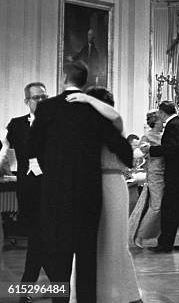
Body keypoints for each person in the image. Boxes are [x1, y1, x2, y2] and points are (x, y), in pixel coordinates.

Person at [27, 60, 132, 302]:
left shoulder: (47, 108)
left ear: (64, 78)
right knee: (87, 255)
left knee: (59, 254)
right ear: (84, 81)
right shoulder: (94, 110)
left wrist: (51, 174)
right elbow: (122, 149)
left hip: (56, 192)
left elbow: (33, 147)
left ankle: (61, 298)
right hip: (89, 192)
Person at [65, 88, 141, 303]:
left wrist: (87, 98)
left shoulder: (114, 126)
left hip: (112, 184)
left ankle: (121, 293)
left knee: (114, 242)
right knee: (89, 244)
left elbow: (115, 116)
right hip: (88, 185)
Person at [1, 82, 48, 292]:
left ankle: (28, 286)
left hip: (51, 189)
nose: (41, 101)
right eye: (36, 98)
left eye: (44, 97)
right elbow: (3, 149)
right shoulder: (16, 124)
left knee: (42, 237)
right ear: (26, 101)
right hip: (27, 190)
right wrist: (4, 169)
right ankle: (37, 285)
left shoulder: (56, 124)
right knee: (36, 236)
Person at [141, 101, 179, 252]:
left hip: (177, 174)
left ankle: (165, 244)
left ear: (163, 112)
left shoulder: (173, 126)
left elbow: (171, 148)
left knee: (170, 209)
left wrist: (152, 150)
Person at [129, 110, 165, 248]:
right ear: (156, 122)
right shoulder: (147, 137)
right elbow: (143, 152)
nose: (163, 123)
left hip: (164, 171)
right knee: (156, 206)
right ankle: (140, 235)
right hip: (155, 172)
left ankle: (155, 234)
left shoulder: (162, 135)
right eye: (161, 121)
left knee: (160, 206)